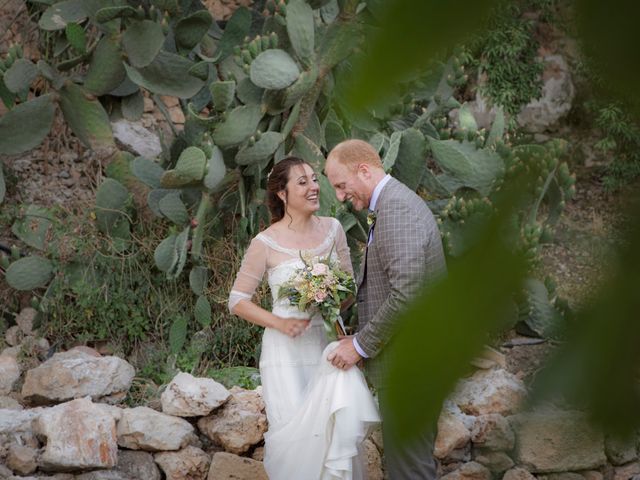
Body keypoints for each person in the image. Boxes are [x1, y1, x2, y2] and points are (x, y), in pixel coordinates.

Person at [228, 156, 380, 479]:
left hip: (326, 347)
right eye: (303, 182)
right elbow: (237, 300)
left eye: (314, 179)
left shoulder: (333, 229)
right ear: (282, 194)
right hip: (285, 355)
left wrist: (330, 302)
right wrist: (280, 322)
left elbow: (349, 290)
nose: (314, 187)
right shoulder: (264, 242)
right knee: (297, 445)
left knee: (330, 437)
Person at [325, 139, 447, 480]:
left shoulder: (396, 211)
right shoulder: (394, 205)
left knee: (410, 470)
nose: (339, 195)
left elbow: (407, 292)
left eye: (341, 185)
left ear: (363, 170)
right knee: (409, 465)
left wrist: (360, 344)